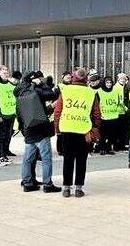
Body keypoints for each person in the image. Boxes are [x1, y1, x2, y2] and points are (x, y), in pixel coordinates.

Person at [53, 69, 101, 197]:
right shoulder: (91, 93)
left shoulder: (66, 90)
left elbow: (58, 111)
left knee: (67, 159)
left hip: (67, 128)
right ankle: (78, 188)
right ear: (87, 79)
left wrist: (57, 128)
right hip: (83, 130)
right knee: (81, 159)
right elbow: (96, 114)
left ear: (73, 78)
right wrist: (96, 128)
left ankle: (66, 188)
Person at [14, 71, 61, 193]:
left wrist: (23, 127)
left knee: (27, 158)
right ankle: (47, 184)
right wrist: (42, 85)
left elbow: (19, 112)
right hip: (41, 129)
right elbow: (52, 95)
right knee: (46, 158)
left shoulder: (19, 91)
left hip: (28, 128)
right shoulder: (36, 90)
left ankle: (27, 183)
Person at [97, 76, 120, 155]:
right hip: (104, 117)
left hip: (114, 116)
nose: (109, 84)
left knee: (112, 135)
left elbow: (118, 102)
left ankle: (109, 148)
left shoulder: (115, 91)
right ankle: (102, 148)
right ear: (104, 83)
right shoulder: (99, 92)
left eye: (110, 82)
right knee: (103, 135)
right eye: (107, 82)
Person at [114, 72, 129, 151]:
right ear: (118, 79)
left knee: (123, 130)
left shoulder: (123, 86)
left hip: (123, 111)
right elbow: (119, 100)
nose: (123, 80)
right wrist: (125, 107)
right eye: (122, 79)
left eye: (125, 79)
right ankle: (118, 145)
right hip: (119, 111)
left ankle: (122, 145)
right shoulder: (117, 87)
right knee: (119, 130)